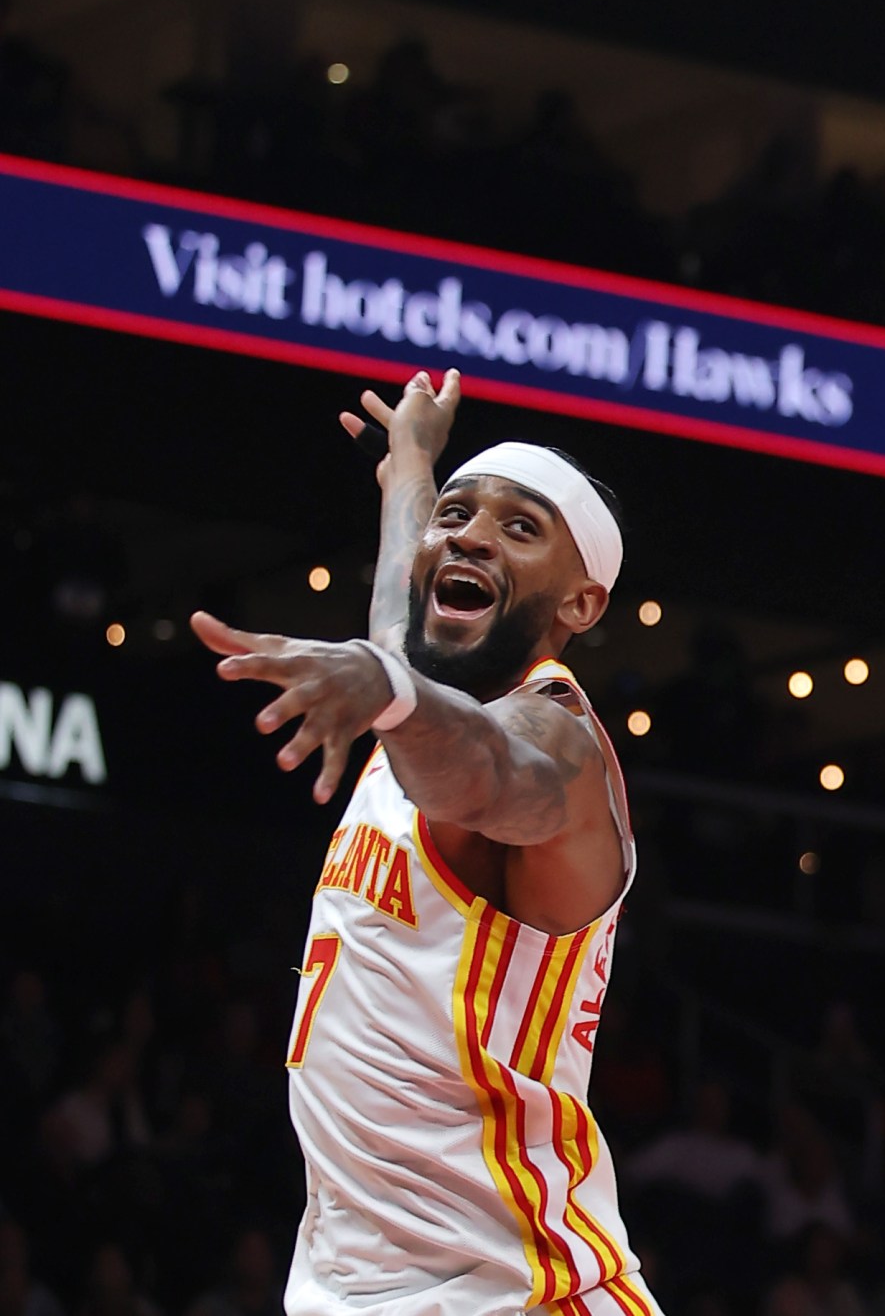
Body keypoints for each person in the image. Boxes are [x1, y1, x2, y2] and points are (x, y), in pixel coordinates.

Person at [190, 369, 655, 1314]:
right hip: (365, 1282)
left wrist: (386, 682)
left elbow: (482, 772)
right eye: (458, 515)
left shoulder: (554, 742)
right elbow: (402, 631)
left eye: (520, 528)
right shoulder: (417, 692)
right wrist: (410, 467)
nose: (471, 534)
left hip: (513, 1290)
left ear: (580, 605)